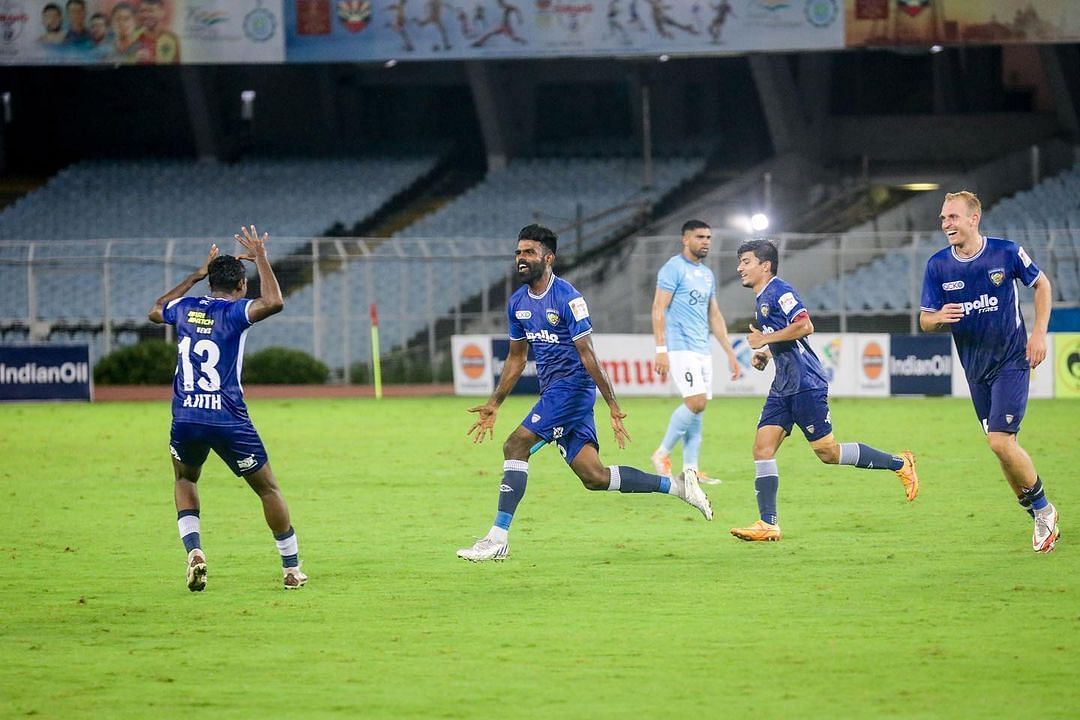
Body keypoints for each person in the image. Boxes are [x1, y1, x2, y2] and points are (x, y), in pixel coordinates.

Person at [457, 224, 713, 562]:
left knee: (515, 444)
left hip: (573, 390)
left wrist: (612, 405)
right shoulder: (517, 303)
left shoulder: (568, 299)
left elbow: (588, 354)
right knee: (594, 476)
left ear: (548, 258)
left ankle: (497, 538)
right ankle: (678, 486)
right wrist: (494, 403)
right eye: (518, 252)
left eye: (529, 253)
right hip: (555, 391)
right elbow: (517, 359)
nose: (521, 259)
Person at [148, 226, 308, 590]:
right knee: (268, 490)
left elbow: (155, 309)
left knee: (185, 478)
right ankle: (291, 569)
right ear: (241, 286)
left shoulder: (185, 308)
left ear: (209, 284)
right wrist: (262, 257)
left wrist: (193, 275)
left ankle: (195, 551)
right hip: (228, 418)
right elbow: (275, 302)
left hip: (186, 415)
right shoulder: (237, 312)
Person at [729, 239, 920, 542]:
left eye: (746, 261)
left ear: (765, 265)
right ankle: (768, 524)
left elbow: (805, 326)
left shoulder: (781, 291)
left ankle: (900, 463)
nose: (739, 267)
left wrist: (766, 341)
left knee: (828, 453)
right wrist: (765, 353)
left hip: (806, 382)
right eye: (740, 261)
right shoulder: (763, 297)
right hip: (784, 385)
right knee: (761, 449)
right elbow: (783, 337)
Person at [920, 191, 1058, 553]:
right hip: (975, 370)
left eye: (952, 217)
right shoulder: (938, 266)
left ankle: (1045, 511)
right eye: (943, 219)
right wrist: (937, 319)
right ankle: (1038, 516)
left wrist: (1039, 333)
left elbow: (1042, 284)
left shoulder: (1006, 253)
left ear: (973, 219)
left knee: (999, 441)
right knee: (1001, 449)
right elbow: (925, 320)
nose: (946, 224)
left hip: (1011, 360)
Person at [651, 220, 741, 486]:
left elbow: (714, 314)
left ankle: (691, 470)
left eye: (709, 237)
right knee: (696, 401)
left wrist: (730, 353)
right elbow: (658, 308)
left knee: (698, 410)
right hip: (680, 347)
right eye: (700, 237)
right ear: (685, 239)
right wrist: (661, 349)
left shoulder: (706, 275)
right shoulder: (673, 268)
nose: (706, 242)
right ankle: (661, 454)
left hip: (702, 348)